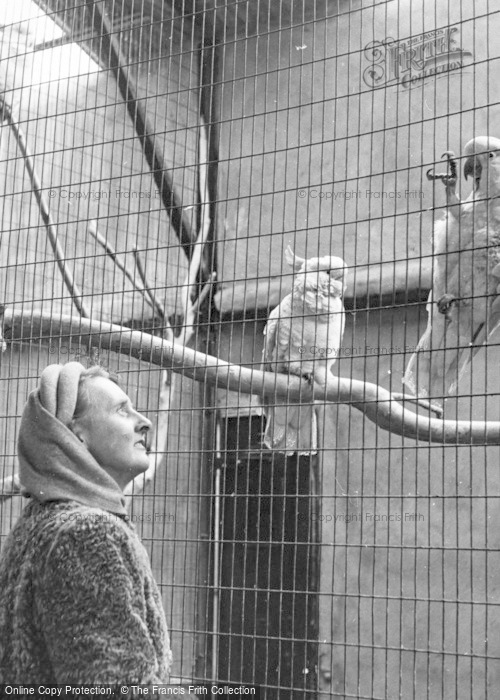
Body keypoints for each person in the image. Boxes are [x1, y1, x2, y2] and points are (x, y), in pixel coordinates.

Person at [0, 362, 172, 683]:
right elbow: (120, 687)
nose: (145, 422)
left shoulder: (41, 523)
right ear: (76, 438)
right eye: (123, 411)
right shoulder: (86, 534)